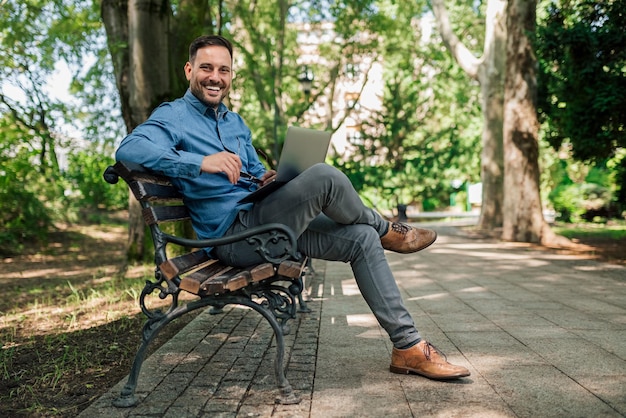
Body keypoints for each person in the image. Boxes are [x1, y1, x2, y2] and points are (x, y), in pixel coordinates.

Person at [116, 34, 470, 380]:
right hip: (235, 238)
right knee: (325, 177)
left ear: (231, 76)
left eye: (224, 70)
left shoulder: (235, 123)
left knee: (361, 238)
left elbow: (252, 173)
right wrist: (200, 162)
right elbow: (129, 151)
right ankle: (388, 231)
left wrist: (267, 178)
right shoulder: (174, 116)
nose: (215, 77)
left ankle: (407, 347)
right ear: (189, 70)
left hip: (266, 224)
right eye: (206, 68)